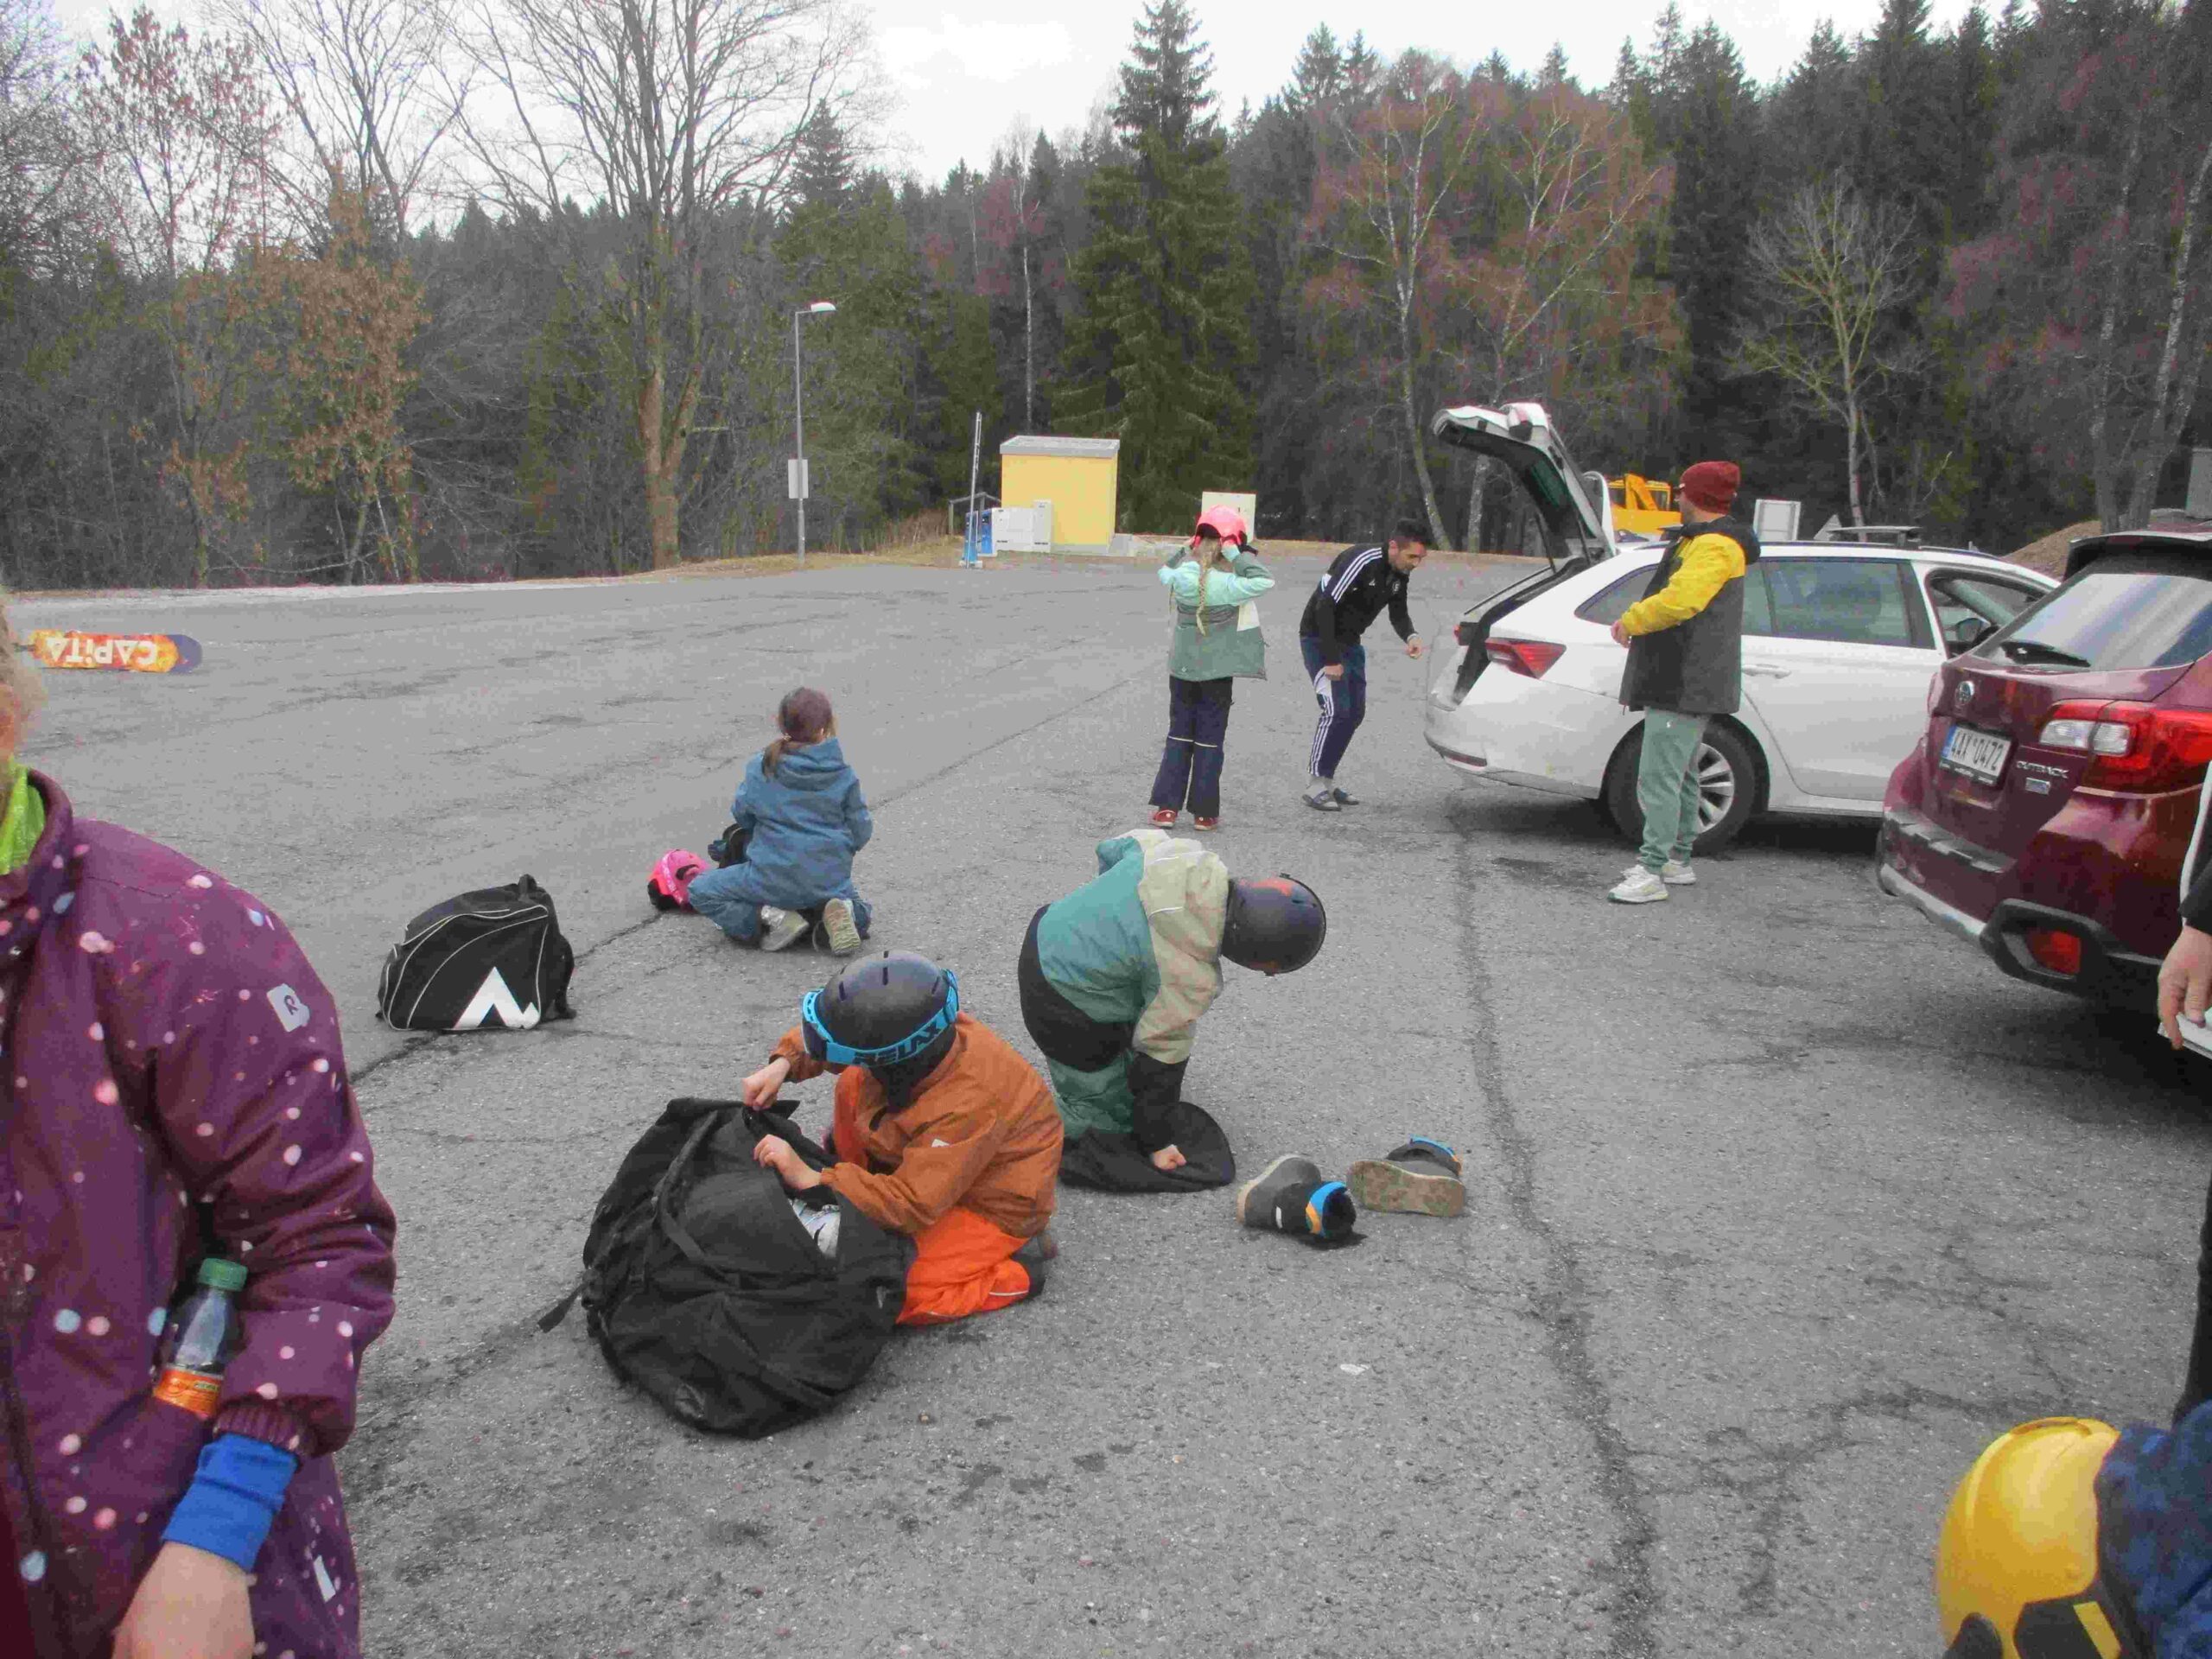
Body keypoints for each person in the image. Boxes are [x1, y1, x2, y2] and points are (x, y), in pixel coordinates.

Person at [0, 591, 396, 1659]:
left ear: (5, 714)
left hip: (156, 1568)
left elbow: (319, 1240)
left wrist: (218, 1537)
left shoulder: (173, 942)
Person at [738, 951, 1062, 1324]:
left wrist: (817, 1179)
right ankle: (862, 1193)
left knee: (887, 1289)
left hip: (989, 1203)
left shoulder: (968, 1104)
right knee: (853, 1082)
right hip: (942, 1163)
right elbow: (837, 1033)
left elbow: (912, 1203)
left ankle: (1018, 1272)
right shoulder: (926, 1034)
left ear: (896, 1061)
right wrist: (783, 1064)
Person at [1018, 827, 1326, 1192]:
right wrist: (1156, 1141)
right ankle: (1032, 1126)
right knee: (1107, 1119)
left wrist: (1108, 905)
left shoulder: (1183, 856)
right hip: (1060, 998)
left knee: (1136, 1003)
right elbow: (1161, 1061)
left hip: (1049, 927)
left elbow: (1119, 845)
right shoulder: (1187, 973)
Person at [1605, 461, 1762, 905]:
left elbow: (1681, 601)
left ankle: (1652, 871)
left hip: (1683, 678)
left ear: (1697, 495)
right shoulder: (1705, 541)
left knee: (1658, 778)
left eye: (1682, 490)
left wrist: (1631, 620)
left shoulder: (1714, 546)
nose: (1677, 496)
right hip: (1688, 678)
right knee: (1684, 773)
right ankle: (1677, 858)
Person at [686, 687, 873, 955]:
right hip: (828, 878)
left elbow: (742, 815)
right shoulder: (843, 775)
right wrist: (834, 853)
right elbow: (861, 830)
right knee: (862, 912)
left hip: (770, 878)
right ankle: (841, 912)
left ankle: (769, 917)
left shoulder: (761, 766)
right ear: (826, 726)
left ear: (779, 722)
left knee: (701, 890)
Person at [1148, 507, 1273, 830]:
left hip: (1182, 670)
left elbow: (1164, 571)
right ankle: (1204, 813)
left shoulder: (1181, 577)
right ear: (1229, 546)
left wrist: (1184, 550)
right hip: (1217, 675)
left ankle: (1167, 809)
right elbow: (1264, 580)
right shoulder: (1230, 584)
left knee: (1178, 735)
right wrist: (1236, 554)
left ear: (1198, 542)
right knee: (1210, 741)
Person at [1298, 518, 1429, 812]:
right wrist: (1331, 659)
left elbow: (1398, 610)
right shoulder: (1360, 560)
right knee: (1336, 710)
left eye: (1421, 558)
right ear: (1393, 546)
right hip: (1319, 638)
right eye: (1412, 556)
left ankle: (1327, 781)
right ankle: (1314, 785)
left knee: (1354, 713)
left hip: (1350, 642)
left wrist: (1411, 635)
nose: (1416, 564)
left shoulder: (1400, 571)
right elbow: (1325, 605)